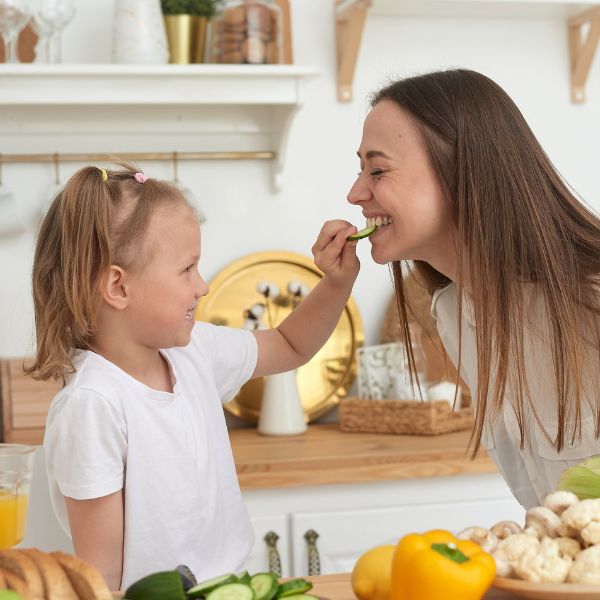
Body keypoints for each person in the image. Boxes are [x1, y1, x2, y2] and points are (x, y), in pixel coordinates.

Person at [27, 164, 360, 591]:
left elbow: (289, 345)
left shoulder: (193, 351)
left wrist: (338, 282)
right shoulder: (93, 405)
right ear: (118, 287)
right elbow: (101, 578)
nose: (202, 287)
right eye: (187, 269)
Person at [347, 69, 600, 509]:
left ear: (461, 173)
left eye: (378, 170)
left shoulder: (590, 299)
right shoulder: (453, 312)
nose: (355, 192)